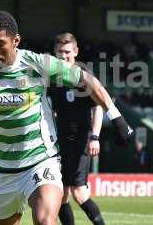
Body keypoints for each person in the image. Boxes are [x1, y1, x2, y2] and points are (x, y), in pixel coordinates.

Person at [0, 11, 133, 225]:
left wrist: (117, 118)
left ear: (16, 41)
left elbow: (87, 80)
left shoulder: (38, 64)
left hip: (40, 161)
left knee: (45, 220)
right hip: (1, 171)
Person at [48, 33, 105, 225]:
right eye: (59, 52)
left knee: (79, 193)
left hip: (80, 139)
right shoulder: (52, 77)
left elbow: (98, 105)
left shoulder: (84, 74)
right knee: (61, 195)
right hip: (59, 142)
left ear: (75, 51)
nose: (63, 56)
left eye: (66, 52)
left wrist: (95, 136)